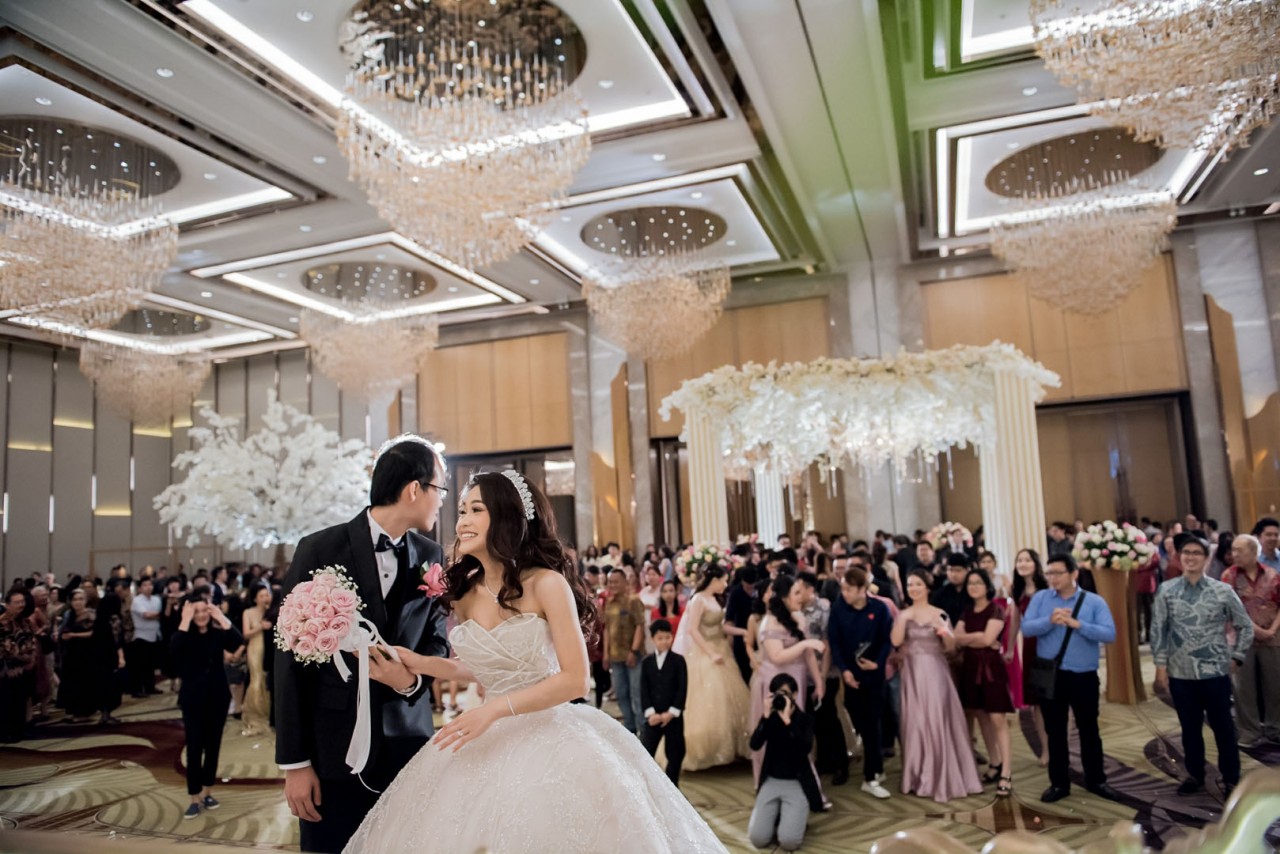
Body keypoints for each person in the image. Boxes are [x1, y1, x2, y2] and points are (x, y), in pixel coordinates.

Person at [344, 471, 728, 853]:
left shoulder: (547, 583)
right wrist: (420, 662)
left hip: (550, 732)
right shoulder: (465, 593)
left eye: (476, 509)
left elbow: (576, 680)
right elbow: (487, 669)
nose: (462, 521)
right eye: (461, 511)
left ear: (507, 517)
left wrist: (494, 709)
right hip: (485, 733)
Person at [276, 435, 451, 853]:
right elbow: (289, 658)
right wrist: (295, 763)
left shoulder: (431, 556)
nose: (443, 500)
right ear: (414, 489)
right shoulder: (319, 549)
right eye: (440, 489)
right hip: (332, 752)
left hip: (407, 747)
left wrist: (409, 682)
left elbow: (437, 642)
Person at [1151, 531, 1254, 797]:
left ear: (1207, 558)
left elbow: (1245, 626)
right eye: (1186, 552)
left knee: (1223, 727)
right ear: (1179, 557)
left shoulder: (1222, 591)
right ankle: (1194, 775)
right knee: (1189, 728)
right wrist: (1160, 667)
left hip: (1215, 672)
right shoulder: (1167, 590)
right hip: (1180, 672)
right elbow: (1159, 630)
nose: (1191, 557)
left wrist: (1237, 656)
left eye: (1197, 553)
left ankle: (1231, 778)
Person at [1021, 554, 1121, 804]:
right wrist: (1049, 621)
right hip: (1051, 675)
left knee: (1089, 729)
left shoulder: (1093, 601)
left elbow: (1109, 633)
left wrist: (1079, 625)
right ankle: (1059, 783)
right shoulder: (1041, 599)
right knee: (1055, 731)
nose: (1052, 578)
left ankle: (1096, 780)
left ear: (1073, 574)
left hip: (1083, 675)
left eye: (1058, 573)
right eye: (1049, 573)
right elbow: (1026, 628)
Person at [891, 570, 982, 803]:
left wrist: (943, 631)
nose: (913, 588)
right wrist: (903, 618)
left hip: (935, 671)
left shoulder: (939, 613)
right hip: (912, 673)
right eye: (910, 585)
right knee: (916, 720)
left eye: (918, 584)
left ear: (927, 587)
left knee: (938, 716)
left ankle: (944, 774)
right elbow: (896, 641)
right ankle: (918, 775)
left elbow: (951, 647)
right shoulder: (903, 614)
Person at [172, 592, 244, 819]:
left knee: (213, 747)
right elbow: (173, 653)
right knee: (194, 748)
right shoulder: (184, 635)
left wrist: (220, 616)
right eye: (196, 611)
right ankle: (194, 797)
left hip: (217, 698)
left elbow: (237, 641)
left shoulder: (216, 634)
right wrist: (185, 619)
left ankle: (207, 791)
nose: (201, 615)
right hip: (192, 699)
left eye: (205, 610)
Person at [675, 564, 752, 771]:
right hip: (705, 652)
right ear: (714, 580)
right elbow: (692, 630)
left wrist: (741, 631)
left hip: (721, 649)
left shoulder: (715, 599)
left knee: (729, 699)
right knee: (709, 699)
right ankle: (706, 751)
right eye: (724, 580)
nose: (726, 584)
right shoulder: (699, 599)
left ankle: (727, 748)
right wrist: (710, 653)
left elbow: (721, 626)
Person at [750, 575, 825, 787]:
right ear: (784, 597)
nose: (801, 597)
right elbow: (777, 657)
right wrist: (805, 644)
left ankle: (804, 784)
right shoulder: (769, 622)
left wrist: (818, 681)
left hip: (797, 680)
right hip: (776, 682)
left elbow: (808, 655)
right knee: (777, 731)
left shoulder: (798, 617)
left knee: (797, 730)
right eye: (796, 593)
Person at [827, 567, 892, 798]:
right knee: (859, 721)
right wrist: (845, 671)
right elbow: (834, 642)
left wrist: (878, 663)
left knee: (873, 724)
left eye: (849, 589)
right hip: (850, 675)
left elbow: (886, 639)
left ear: (862, 589)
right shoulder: (838, 609)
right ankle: (876, 767)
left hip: (874, 674)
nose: (845, 593)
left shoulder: (879, 608)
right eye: (843, 588)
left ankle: (870, 777)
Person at [954, 568, 1014, 796]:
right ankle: (995, 762)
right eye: (970, 583)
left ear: (987, 586)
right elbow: (955, 638)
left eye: (978, 582)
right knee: (981, 716)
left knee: (997, 718)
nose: (974, 587)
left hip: (991, 669)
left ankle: (1006, 772)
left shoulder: (996, 609)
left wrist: (974, 639)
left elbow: (988, 639)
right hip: (970, 668)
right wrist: (976, 638)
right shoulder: (967, 611)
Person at [1220, 534, 1280, 747]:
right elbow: (1230, 609)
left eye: (1240, 550)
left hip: (1272, 639)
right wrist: (1256, 630)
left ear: (1254, 552)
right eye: (1233, 550)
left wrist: (1272, 629)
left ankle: (1275, 728)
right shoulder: (1228, 576)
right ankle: (1249, 731)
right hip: (1239, 640)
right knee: (1243, 688)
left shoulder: (1272, 575)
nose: (1234, 554)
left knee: (1275, 685)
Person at [748, 674, 816, 852]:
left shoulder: (804, 720)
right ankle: (780, 817)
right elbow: (754, 745)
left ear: (795, 694)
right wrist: (765, 716)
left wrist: (788, 722)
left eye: (785, 693)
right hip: (771, 780)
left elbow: (804, 748)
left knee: (789, 842)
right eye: (776, 693)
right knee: (758, 839)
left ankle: (794, 818)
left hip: (796, 783)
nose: (781, 698)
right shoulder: (770, 718)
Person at [1011, 548, 1050, 765]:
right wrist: (1009, 648)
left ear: (1036, 563)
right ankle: (1046, 749)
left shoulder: (1047, 587)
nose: (1023, 563)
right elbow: (1015, 620)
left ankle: (1062, 746)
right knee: (1037, 703)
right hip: (1029, 647)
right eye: (1019, 560)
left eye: (1027, 560)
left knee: (1057, 699)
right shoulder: (1017, 590)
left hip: (1049, 646)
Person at [640, 619, 687, 786]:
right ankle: (648, 787)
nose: (664, 641)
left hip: (672, 716)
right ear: (653, 639)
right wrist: (650, 713)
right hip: (653, 717)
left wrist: (671, 712)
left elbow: (682, 688)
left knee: (675, 753)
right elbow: (644, 690)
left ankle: (673, 787)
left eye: (668, 637)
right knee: (646, 752)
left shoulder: (678, 661)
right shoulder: (647, 662)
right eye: (660, 638)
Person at [602, 567, 646, 734]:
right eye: (610, 582)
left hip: (632, 656)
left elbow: (640, 627)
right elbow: (607, 629)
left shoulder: (633, 601)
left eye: (616, 582)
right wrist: (606, 654)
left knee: (636, 694)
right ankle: (630, 728)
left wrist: (633, 651)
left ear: (625, 582)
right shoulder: (609, 602)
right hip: (615, 656)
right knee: (621, 694)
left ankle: (644, 731)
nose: (612, 585)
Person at [0, 588, 37, 743]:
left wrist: (32, 658)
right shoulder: (2, 623)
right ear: (7, 605)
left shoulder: (26, 622)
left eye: (22, 602)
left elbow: (32, 641)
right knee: (5, 701)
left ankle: (18, 730)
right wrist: (25, 658)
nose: (21, 605)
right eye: (17, 603)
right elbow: (6, 650)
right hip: (5, 671)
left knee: (21, 700)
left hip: (23, 670)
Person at [57, 588, 99, 722]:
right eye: (75, 599)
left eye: (81, 599)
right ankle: (73, 710)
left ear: (86, 601)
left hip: (86, 652)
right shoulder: (69, 614)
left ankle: (84, 712)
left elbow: (94, 633)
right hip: (71, 653)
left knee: (84, 682)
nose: (78, 602)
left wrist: (74, 635)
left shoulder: (91, 614)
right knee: (71, 681)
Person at [240, 585, 274, 737]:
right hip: (255, 648)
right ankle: (255, 712)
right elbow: (246, 634)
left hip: (269, 648)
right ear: (255, 598)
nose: (265, 598)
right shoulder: (248, 612)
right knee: (256, 679)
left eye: (267, 595)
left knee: (266, 680)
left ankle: (267, 712)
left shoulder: (271, 611)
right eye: (262, 596)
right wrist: (261, 627)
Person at [128, 577, 163, 697]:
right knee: (139, 665)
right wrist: (159, 615)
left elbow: (157, 615)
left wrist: (157, 615)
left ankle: (150, 687)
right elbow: (146, 615)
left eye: (150, 584)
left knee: (150, 664)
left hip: (154, 634)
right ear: (140, 588)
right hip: (140, 636)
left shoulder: (156, 599)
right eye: (145, 585)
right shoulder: (137, 600)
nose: (148, 587)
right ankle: (137, 689)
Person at [724, 566, 757, 684]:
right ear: (742, 581)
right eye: (748, 586)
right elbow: (729, 619)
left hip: (758, 634)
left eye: (752, 586)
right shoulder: (736, 593)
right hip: (741, 635)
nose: (750, 589)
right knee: (744, 672)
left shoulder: (759, 590)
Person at [930, 554, 971, 625]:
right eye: (950, 570)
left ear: (967, 570)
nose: (954, 574)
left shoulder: (973, 591)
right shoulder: (940, 594)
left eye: (958, 570)